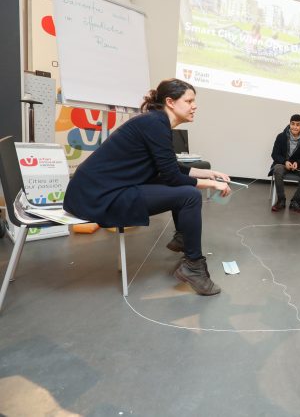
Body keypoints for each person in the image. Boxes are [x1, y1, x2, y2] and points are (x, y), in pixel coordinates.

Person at [63, 78, 231, 296]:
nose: (194, 106)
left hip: (100, 191)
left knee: (185, 192)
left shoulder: (155, 122)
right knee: (189, 195)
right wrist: (210, 184)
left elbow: (170, 167)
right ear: (170, 102)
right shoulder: (155, 124)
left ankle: (184, 240)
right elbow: (171, 176)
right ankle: (193, 265)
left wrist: (208, 173)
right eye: (189, 101)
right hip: (100, 197)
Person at [269, 114, 300, 213]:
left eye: (297, 125)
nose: (295, 127)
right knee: (278, 169)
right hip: (283, 164)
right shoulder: (281, 136)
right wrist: (285, 162)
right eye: (293, 124)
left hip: (298, 166)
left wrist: (298, 163)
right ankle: (281, 200)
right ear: (289, 124)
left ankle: (295, 201)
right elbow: (274, 154)